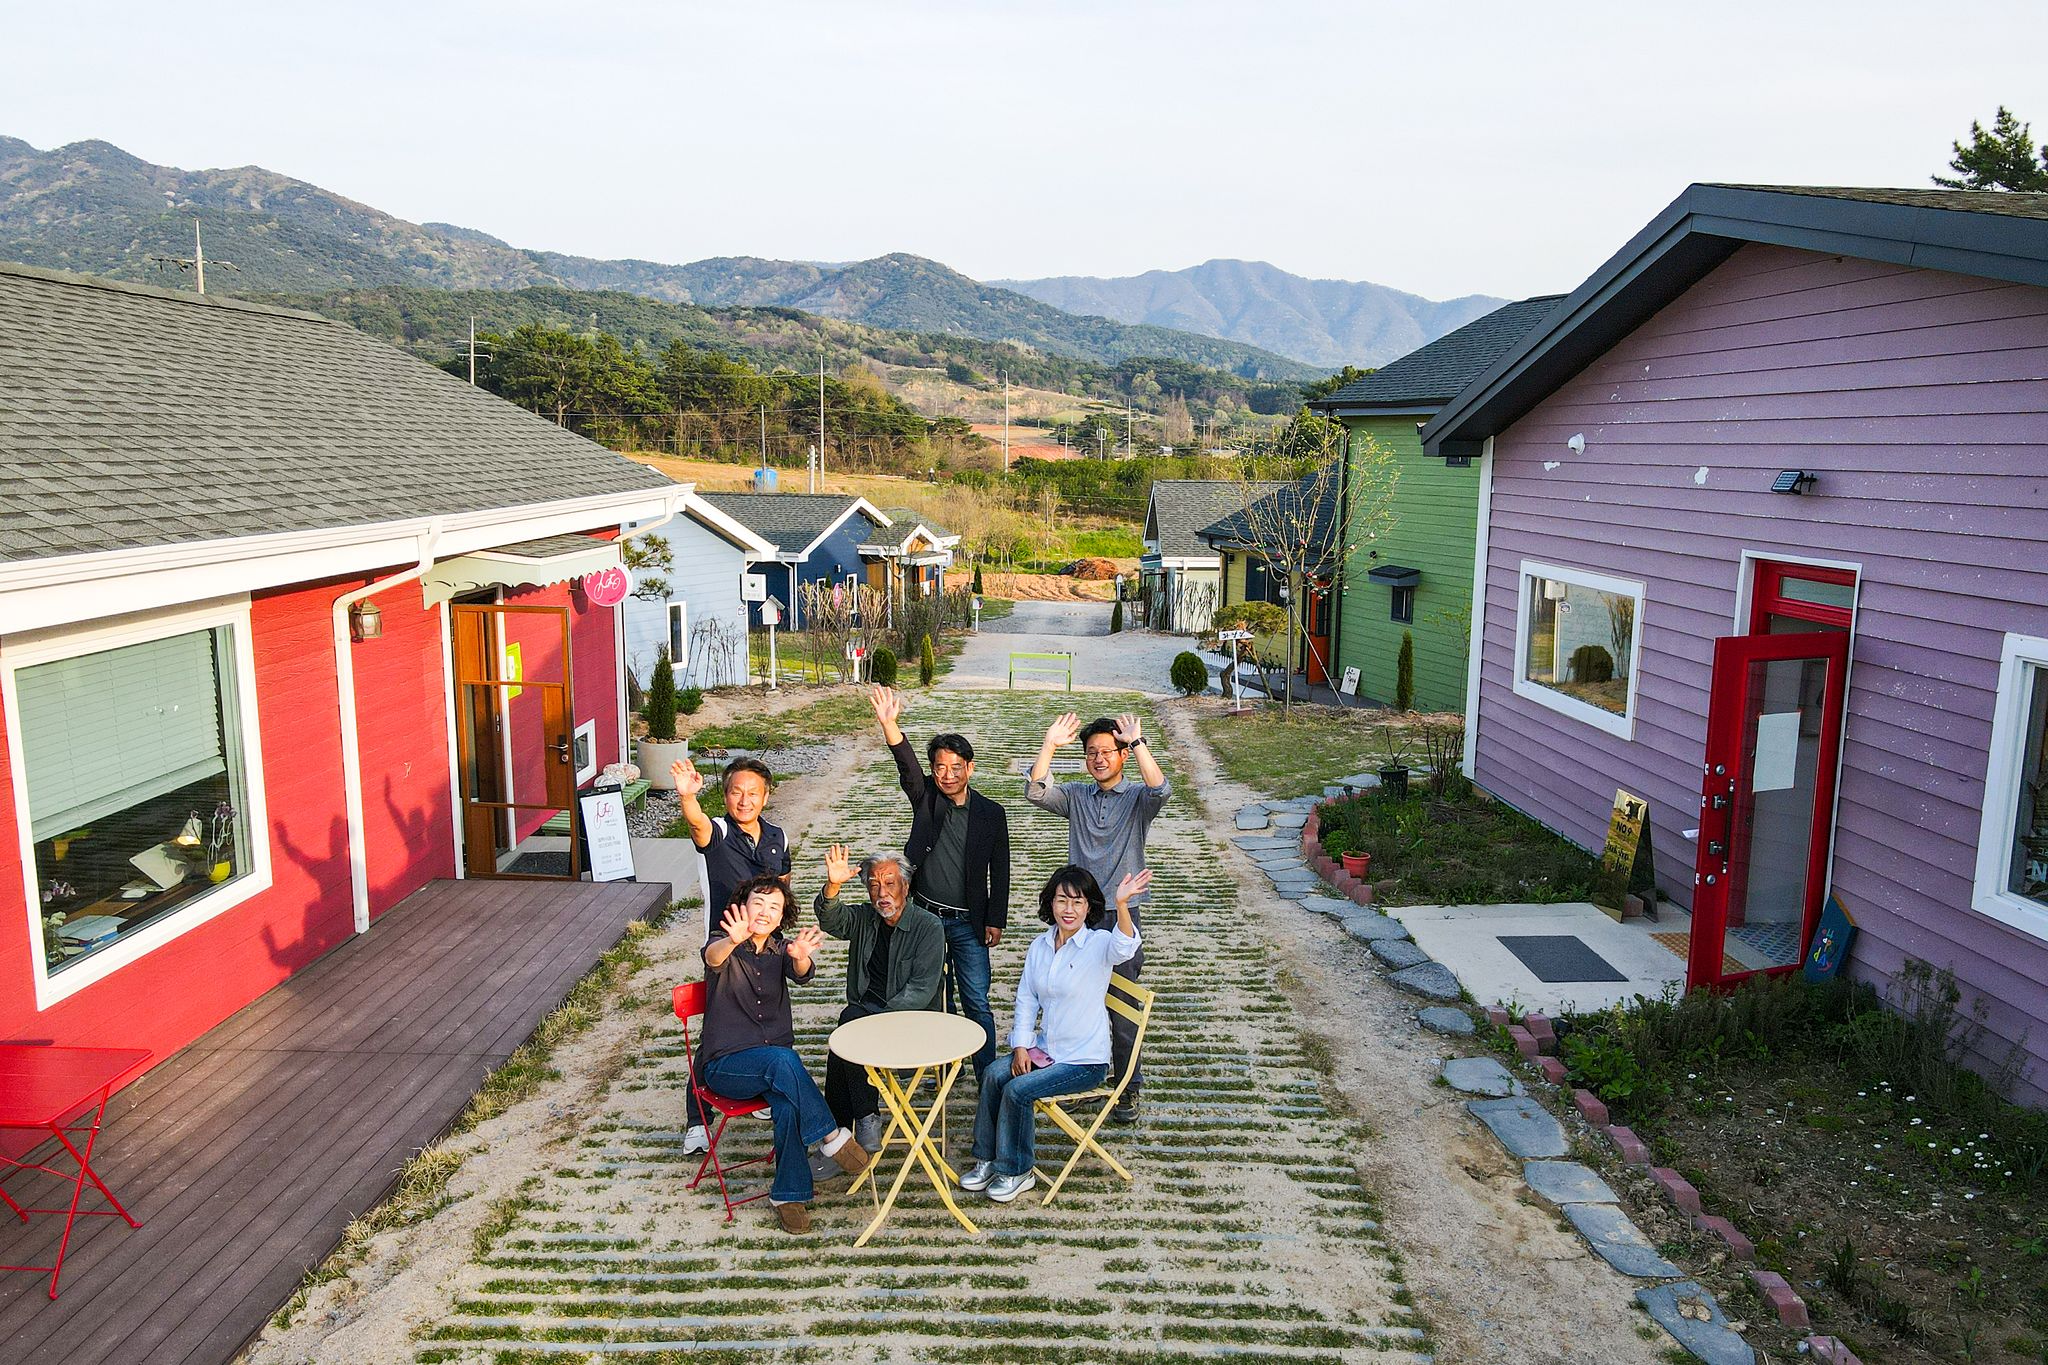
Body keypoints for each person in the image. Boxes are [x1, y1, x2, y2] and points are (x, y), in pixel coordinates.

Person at [693, 874, 870, 1234]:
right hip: (725, 1066)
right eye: (758, 903)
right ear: (742, 906)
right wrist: (732, 939)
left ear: (781, 917)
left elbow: (801, 972)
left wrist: (802, 958)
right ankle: (830, 1137)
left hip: (772, 1069)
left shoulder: (780, 949)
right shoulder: (722, 942)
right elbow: (712, 959)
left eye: (774, 907)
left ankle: (788, 1194)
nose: (765, 911)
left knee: (788, 1103)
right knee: (784, 1059)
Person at [958, 866, 1146, 1204]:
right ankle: (987, 1158)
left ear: (1089, 907)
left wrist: (1122, 905)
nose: (1069, 909)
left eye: (1078, 901)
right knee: (992, 1074)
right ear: (1051, 903)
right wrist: (1020, 1047)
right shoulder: (1040, 946)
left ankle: (1018, 1170)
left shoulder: (1099, 943)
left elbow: (1125, 948)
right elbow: (1026, 999)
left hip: (1084, 1061)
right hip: (1046, 1051)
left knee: (1017, 1091)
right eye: (1062, 900)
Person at [1024, 712, 1169, 1123]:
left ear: (1122, 754)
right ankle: (1077, 1078)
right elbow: (1036, 791)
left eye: (1107, 751)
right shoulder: (1076, 797)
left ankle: (1128, 1087)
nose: (1099, 759)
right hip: (1077, 917)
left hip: (1121, 914)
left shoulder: (1138, 801)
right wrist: (1050, 745)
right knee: (1068, 1004)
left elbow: (1162, 788)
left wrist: (1139, 743)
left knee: (1120, 1007)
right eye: (1091, 753)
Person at [866, 684, 1011, 1075]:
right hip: (925, 919)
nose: (947, 775)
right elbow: (907, 768)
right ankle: (944, 1067)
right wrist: (889, 724)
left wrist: (995, 918)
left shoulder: (992, 813)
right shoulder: (926, 797)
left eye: (956, 767)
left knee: (976, 999)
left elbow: (1001, 871)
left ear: (970, 768)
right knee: (934, 996)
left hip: (968, 922)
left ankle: (987, 1073)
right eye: (940, 767)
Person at [672, 756, 792, 1155]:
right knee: (716, 1031)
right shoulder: (719, 831)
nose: (745, 800)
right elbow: (697, 824)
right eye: (736, 792)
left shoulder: (778, 836)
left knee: (767, 1018)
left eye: (753, 793)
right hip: (724, 948)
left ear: (767, 795)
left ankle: (759, 1086)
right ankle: (697, 1120)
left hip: (764, 947)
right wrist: (689, 798)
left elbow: (782, 889)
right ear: (725, 795)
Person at [814, 844, 947, 1150]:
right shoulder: (864, 918)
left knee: (847, 1032)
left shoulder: (929, 926)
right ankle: (857, 1123)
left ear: (906, 886)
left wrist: (874, 1023)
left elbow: (921, 990)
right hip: (863, 1018)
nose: (882, 892)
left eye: (889, 883)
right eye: (874, 885)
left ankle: (839, 1136)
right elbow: (830, 920)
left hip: (908, 1024)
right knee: (847, 1035)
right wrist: (833, 885)